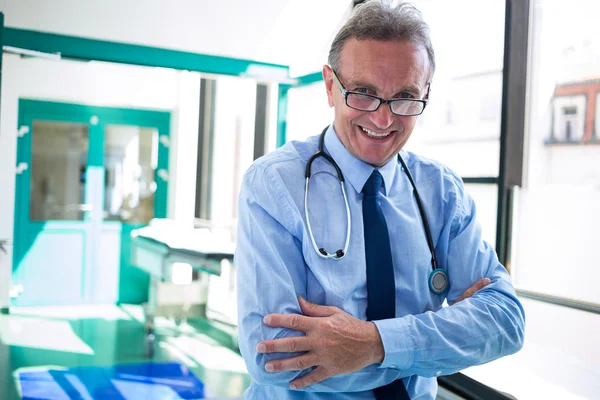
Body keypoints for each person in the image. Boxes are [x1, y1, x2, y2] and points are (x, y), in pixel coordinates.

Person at [235, 1, 525, 399]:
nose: (383, 119)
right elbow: (273, 360)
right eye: (364, 93)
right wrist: (438, 340)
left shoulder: (441, 191)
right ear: (330, 86)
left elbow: (504, 322)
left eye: (405, 97)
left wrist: (371, 343)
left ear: (425, 93)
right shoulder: (274, 184)